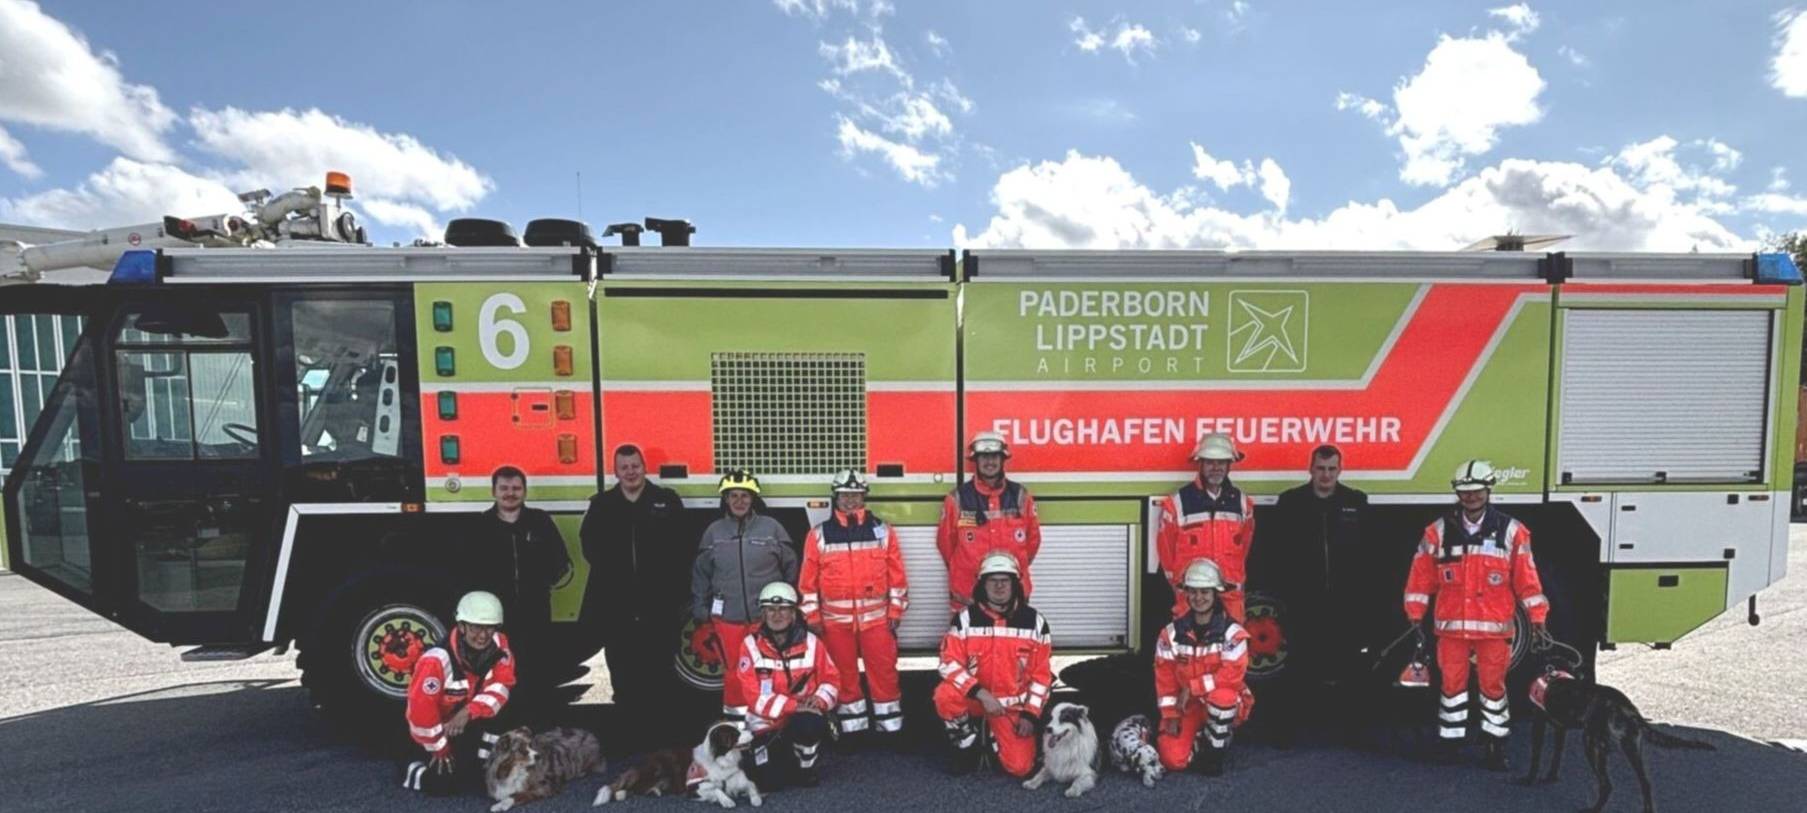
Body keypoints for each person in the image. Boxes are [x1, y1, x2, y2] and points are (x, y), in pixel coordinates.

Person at [1404, 459, 1551, 771]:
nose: (1470, 497)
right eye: (1465, 491)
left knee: (1493, 689)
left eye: (1476, 491)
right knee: (1451, 688)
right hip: (1451, 631)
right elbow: (1420, 578)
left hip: (1494, 633)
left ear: (1489, 490)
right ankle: (1451, 743)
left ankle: (1496, 746)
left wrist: (1537, 618)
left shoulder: (1513, 532)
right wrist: (1415, 615)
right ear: (1457, 493)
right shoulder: (1437, 532)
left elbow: (1527, 580)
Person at [1262, 445, 1369, 740]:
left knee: (1350, 666)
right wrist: (1285, 595)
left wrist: (1361, 596)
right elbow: (1276, 554)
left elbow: (1369, 554)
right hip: (1302, 601)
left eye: (1332, 469)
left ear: (1340, 470)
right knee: (1298, 665)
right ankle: (1288, 730)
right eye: (1320, 469)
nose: (1326, 475)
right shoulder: (1290, 503)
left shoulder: (1356, 502)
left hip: (1345, 602)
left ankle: (1354, 731)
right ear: (1310, 469)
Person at [798, 470, 908, 742]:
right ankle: (852, 731)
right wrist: (811, 617)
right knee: (843, 677)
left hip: (877, 621)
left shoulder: (883, 531)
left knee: (884, 674)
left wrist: (895, 611)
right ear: (836, 497)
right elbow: (807, 582)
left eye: (855, 495)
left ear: (863, 497)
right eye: (845, 495)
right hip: (835, 624)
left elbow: (897, 576)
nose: (850, 500)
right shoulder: (818, 535)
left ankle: (891, 729)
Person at [580, 444, 689, 713]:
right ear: (615, 472)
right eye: (624, 467)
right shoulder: (602, 505)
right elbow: (589, 546)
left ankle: (659, 743)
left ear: (644, 468)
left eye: (635, 466)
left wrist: (671, 589)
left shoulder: (667, 500)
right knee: (623, 675)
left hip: (659, 607)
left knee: (661, 677)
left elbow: (683, 546)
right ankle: (629, 737)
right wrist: (615, 580)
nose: (631, 472)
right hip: (618, 609)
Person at [692, 469, 798, 726]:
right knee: (735, 675)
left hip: (766, 620)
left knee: (771, 673)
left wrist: (789, 606)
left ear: (753, 499)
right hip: (728, 619)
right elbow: (701, 573)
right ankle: (737, 729)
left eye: (745, 496)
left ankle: (773, 728)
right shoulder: (714, 532)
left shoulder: (772, 528)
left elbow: (791, 567)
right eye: (733, 496)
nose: (739, 501)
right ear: (725, 500)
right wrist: (701, 609)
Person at [933, 551, 1053, 779]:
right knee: (945, 695)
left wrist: (1030, 715)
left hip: (1011, 708)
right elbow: (948, 664)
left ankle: (992, 735)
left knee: (1020, 768)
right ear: (982, 585)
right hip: (976, 700)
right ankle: (966, 743)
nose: (999, 586)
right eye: (993, 580)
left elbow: (1042, 677)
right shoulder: (965, 619)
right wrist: (981, 693)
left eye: (1005, 580)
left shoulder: (1035, 623)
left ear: (1015, 584)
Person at [460, 466, 571, 695]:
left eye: (516, 488)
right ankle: (502, 721)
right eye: (504, 488)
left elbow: (560, 560)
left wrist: (542, 583)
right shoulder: (479, 526)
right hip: (496, 616)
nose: (510, 493)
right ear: (493, 491)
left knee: (536, 671)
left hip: (535, 610)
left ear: (524, 491)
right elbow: (467, 568)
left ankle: (535, 722)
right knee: (499, 671)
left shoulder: (540, 521)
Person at [401, 591, 517, 796]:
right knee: (443, 785)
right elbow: (421, 713)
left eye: (489, 627)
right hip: (432, 731)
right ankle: (407, 766)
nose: (483, 635)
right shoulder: (435, 661)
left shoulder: (500, 645)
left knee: (509, 712)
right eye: (475, 627)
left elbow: (502, 685)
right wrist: (440, 747)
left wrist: (468, 712)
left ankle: (483, 764)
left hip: (464, 721)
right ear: (461, 626)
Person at [1153, 560, 1254, 776]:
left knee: (1224, 697)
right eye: (1193, 592)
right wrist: (1170, 715)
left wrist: (1193, 687)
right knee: (1172, 759)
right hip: (1187, 706)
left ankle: (1215, 752)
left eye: (1205, 592)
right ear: (1186, 594)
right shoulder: (1170, 634)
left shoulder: (1232, 634)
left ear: (1216, 593)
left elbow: (1232, 676)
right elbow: (1165, 678)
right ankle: (1200, 738)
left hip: (1218, 701)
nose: (1199, 598)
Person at [736, 582, 840, 789]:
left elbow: (832, 680)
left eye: (783, 609)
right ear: (763, 614)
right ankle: (782, 756)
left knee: (809, 725)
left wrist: (818, 700)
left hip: (802, 718)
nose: (777, 615)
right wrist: (793, 706)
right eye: (771, 610)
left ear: (794, 613)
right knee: (767, 783)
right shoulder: (750, 645)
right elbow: (753, 696)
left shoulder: (812, 643)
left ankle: (805, 768)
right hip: (766, 724)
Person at [937, 431, 1042, 614]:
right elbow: (946, 544)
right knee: (966, 643)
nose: (989, 462)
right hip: (967, 593)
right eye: (984, 457)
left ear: (1003, 460)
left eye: (994, 456)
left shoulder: (1021, 496)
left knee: (1012, 642)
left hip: (1012, 595)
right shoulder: (957, 499)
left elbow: (1032, 542)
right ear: (975, 461)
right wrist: (964, 568)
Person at [1156, 433, 1256, 622]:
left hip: (1230, 596)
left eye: (1222, 463)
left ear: (1229, 465)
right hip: (1193, 596)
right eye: (1210, 462)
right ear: (1200, 464)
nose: (1216, 468)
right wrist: (1179, 587)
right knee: (1189, 648)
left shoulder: (1243, 504)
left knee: (1232, 648)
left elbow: (1244, 548)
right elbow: (1166, 553)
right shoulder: (1176, 504)